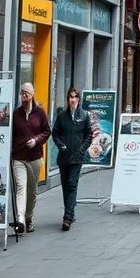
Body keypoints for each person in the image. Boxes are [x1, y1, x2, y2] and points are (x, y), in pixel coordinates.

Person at [51, 87, 93, 231]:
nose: (73, 100)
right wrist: (61, 145)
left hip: (77, 157)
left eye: (75, 97)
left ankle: (67, 217)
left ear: (79, 99)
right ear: (68, 99)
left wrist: (81, 150)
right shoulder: (62, 115)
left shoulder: (85, 115)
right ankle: (69, 211)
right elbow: (55, 133)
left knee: (72, 183)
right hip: (64, 157)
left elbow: (89, 135)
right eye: (70, 97)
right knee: (65, 185)